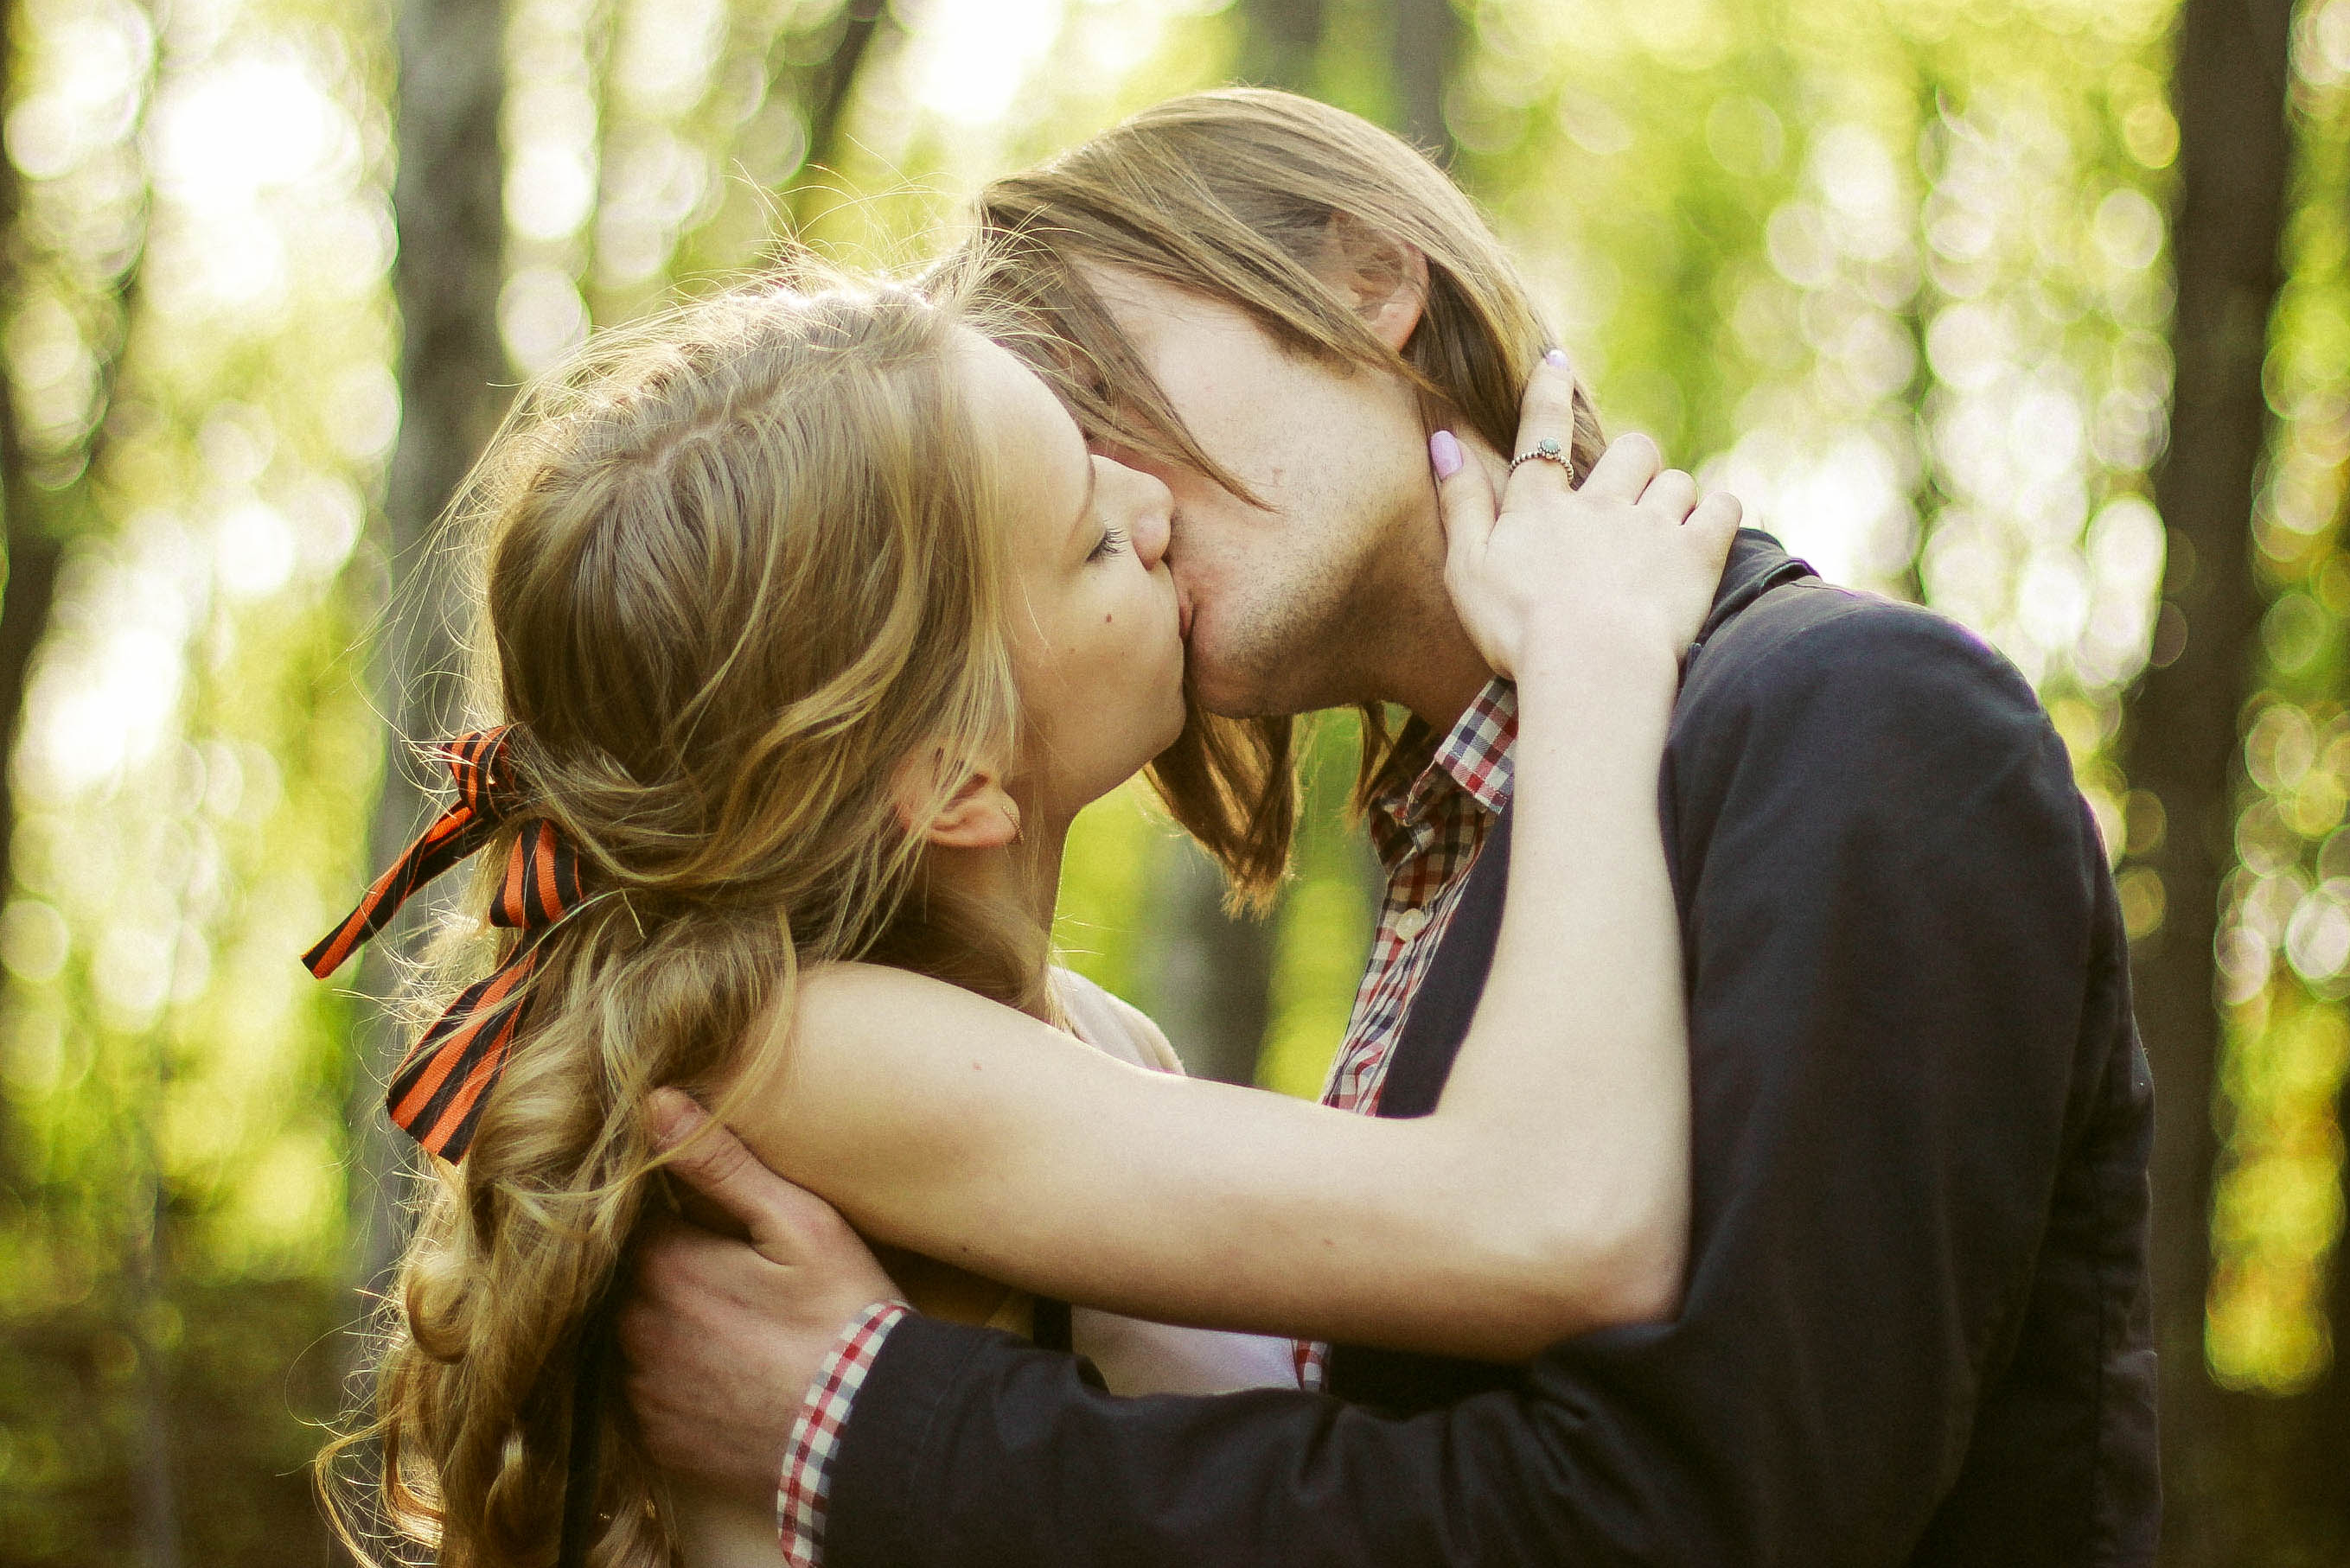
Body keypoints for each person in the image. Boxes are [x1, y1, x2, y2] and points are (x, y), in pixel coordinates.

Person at [620, 90, 2160, 1566]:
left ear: (1367, 280)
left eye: (1101, 392)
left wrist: (881, 1426)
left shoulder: (1863, 721)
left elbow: (1693, 1525)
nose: (1115, 495)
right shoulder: (1477, 839)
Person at [309, 267, 1740, 1568]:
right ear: (954, 778)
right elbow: (1560, 1226)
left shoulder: (1068, 1041)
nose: (1154, 504)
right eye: (1089, 540)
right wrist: (1592, 665)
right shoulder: (799, 1052)